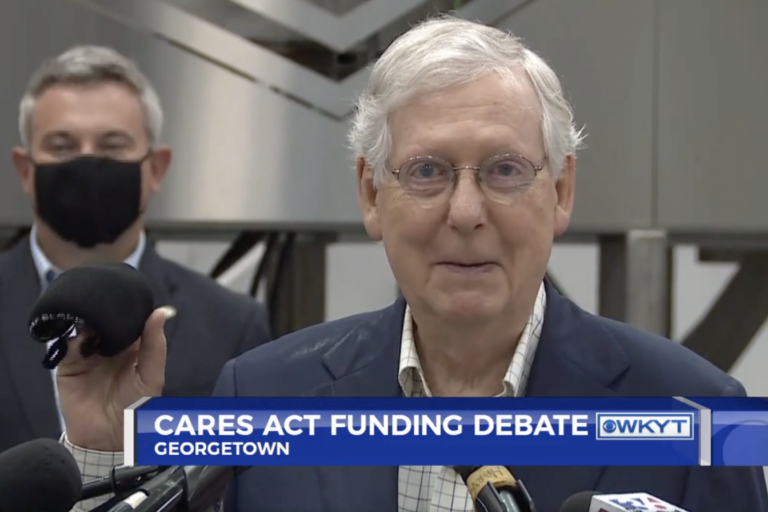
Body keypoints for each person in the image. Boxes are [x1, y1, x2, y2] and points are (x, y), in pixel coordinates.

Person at [58, 17, 767, 512]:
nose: (465, 211)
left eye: (505, 169)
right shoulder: (264, 397)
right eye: (427, 171)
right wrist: (101, 452)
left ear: (561, 190)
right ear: (372, 193)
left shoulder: (698, 419)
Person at [0, 45, 272, 455]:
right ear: (25, 170)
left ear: (156, 168)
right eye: (62, 147)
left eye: (112, 146)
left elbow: (255, 477)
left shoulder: (233, 327)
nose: (87, 163)